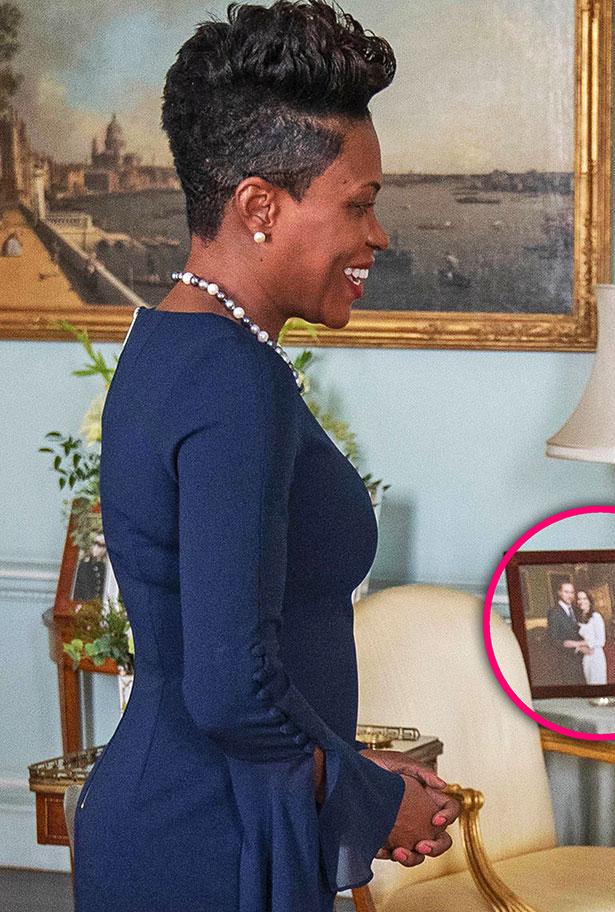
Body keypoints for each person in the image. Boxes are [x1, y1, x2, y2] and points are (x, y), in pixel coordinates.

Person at [73, 5, 459, 911]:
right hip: (203, 838)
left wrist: (351, 767)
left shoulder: (174, 341)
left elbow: (230, 652)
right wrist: (369, 800)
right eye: (358, 205)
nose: (379, 236)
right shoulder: (231, 382)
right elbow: (229, 686)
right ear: (258, 205)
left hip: (199, 808)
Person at [545, 580, 586, 685]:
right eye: (566, 592)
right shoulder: (554, 612)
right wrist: (576, 648)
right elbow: (553, 640)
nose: (570, 595)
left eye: (572, 592)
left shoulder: (577, 610)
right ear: (559, 593)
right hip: (566, 661)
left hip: (583, 658)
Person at [576, 590, 608, 685]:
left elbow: (601, 641)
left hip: (596, 655)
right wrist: (580, 648)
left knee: (597, 683)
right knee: (588, 683)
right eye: (579, 599)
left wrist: (582, 644)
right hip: (586, 657)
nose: (581, 601)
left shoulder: (596, 617)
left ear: (590, 600)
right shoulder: (579, 617)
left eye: (584, 598)